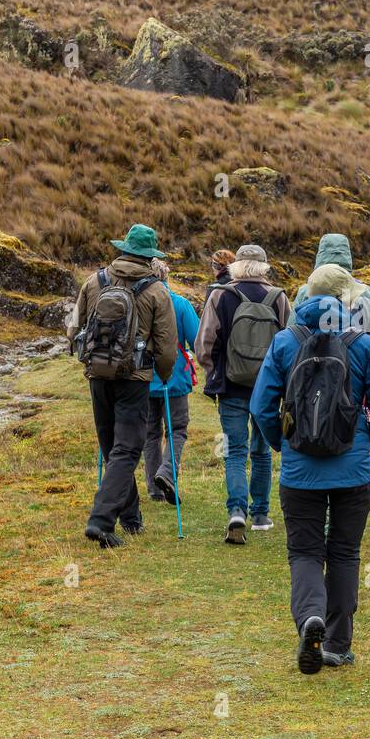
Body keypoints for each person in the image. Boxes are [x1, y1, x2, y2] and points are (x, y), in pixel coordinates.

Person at [250, 263, 370, 673]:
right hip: (354, 472)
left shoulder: (285, 342)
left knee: (304, 551)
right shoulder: (363, 344)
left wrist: (283, 444)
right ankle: (336, 643)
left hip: (299, 474)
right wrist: (365, 439)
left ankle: (310, 617)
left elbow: (261, 406)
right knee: (345, 553)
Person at [67, 224, 177, 548]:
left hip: (98, 376)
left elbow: (74, 327)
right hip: (134, 379)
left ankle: (131, 519)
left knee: (112, 446)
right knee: (127, 449)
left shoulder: (94, 281)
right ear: (149, 256)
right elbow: (167, 345)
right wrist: (166, 374)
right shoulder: (157, 292)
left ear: (124, 249)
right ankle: (100, 522)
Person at [195, 244, 291, 544]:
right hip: (267, 389)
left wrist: (215, 371)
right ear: (264, 267)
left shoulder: (221, 295)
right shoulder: (279, 297)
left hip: (230, 386)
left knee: (235, 452)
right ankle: (261, 514)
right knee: (261, 452)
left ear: (236, 266)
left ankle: (237, 511)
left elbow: (204, 345)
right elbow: (289, 343)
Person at [144, 259, 199, 505]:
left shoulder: (138, 303)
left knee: (150, 433)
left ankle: (154, 488)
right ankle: (166, 474)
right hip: (174, 378)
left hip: (143, 378)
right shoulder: (180, 304)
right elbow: (198, 340)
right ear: (166, 276)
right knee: (176, 430)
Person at [294, 233, 370, 357]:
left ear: (320, 255)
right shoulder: (367, 293)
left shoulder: (305, 291)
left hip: (309, 368)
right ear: (347, 256)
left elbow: (292, 333)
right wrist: (365, 365)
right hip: (354, 370)